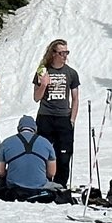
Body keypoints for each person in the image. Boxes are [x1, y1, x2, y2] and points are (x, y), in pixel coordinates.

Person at [31, 40, 79, 190]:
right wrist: (44, 84)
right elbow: (36, 97)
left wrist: (72, 119)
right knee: (43, 152)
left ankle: (61, 185)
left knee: (64, 154)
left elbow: (76, 98)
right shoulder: (42, 71)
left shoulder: (71, 73)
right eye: (61, 53)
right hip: (46, 116)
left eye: (66, 52)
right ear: (53, 54)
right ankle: (43, 181)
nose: (64, 56)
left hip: (64, 118)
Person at [0, 115, 59, 202]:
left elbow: (0, 172)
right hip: (39, 187)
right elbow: (51, 173)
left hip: (14, 188)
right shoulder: (46, 143)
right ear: (35, 129)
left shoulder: (6, 143)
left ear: (18, 128)